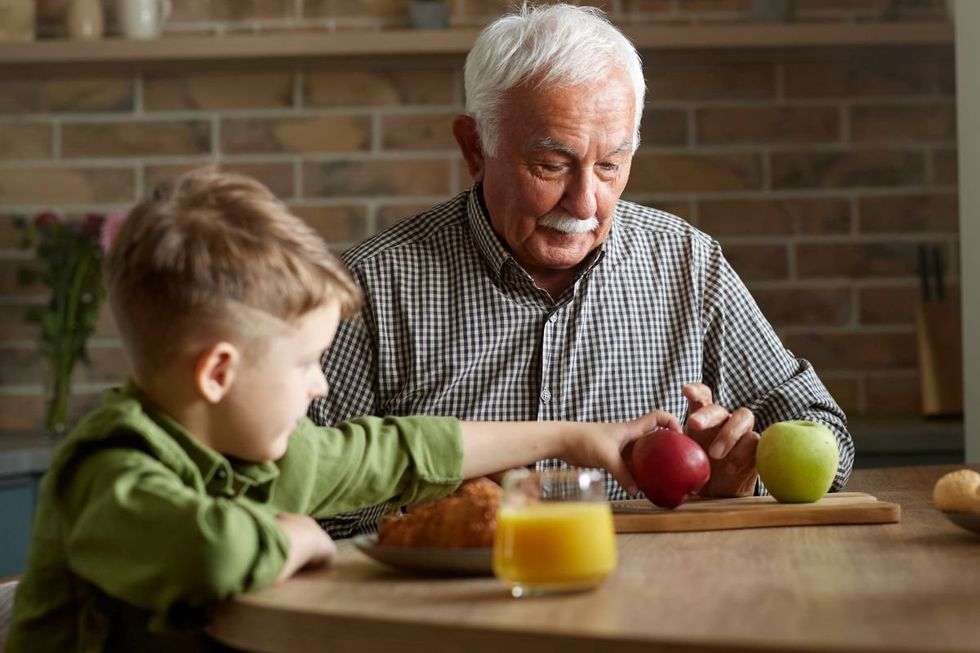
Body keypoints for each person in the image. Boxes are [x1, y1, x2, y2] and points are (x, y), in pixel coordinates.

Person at [5, 168, 680, 652]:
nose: (320, 385)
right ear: (218, 374)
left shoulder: (260, 447)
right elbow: (205, 549)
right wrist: (295, 536)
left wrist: (571, 436)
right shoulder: (109, 469)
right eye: (303, 362)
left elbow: (402, 448)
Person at [309, 2, 855, 537]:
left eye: (611, 166)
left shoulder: (688, 264)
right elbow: (298, 497)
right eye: (552, 165)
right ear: (475, 147)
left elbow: (825, 435)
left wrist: (750, 473)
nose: (586, 202)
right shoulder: (373, 287)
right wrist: (441, 503)